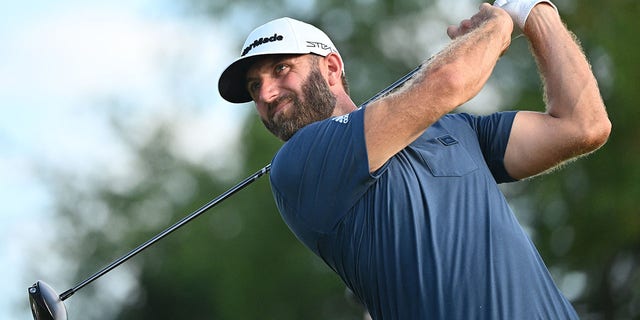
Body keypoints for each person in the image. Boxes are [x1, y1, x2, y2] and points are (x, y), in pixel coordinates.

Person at [218, 0, 611, 319]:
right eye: (255, 86)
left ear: (332, 68)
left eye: (281, 69)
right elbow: (450, 81)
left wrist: (534, 11)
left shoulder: (453, 129)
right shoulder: (298, 163)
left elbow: (584, 125)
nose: (266, 93)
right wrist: (499, 23)